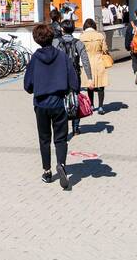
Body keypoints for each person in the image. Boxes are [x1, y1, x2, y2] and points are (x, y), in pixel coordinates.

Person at [24, 23, 78, 190]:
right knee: (60, 138)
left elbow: (28, 85)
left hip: (41, 103)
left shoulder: (35, 58)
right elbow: (74, 82)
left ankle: (47, 171)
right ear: (52, 37)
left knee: (44, 139)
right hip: (59, 102)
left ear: (36, 39)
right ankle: (61, 164)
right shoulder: (62, 56)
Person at [54, 18, 91, 135]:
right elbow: (85, 60)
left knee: (61, 99)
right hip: (75, 75)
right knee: (75, 99)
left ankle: (63, 126)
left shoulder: (56, 42)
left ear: (62, 29)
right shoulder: (78, 43)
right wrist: (90, 78)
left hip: (60, 76)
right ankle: (76, 127)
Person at [79, 17, 111, 112]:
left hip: (87, 62)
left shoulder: (82, 36)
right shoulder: (100, 36)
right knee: (101, 85)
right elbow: (105, 49)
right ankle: (101, 106)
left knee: (90, 85)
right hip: (99, 61)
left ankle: (91, 105)